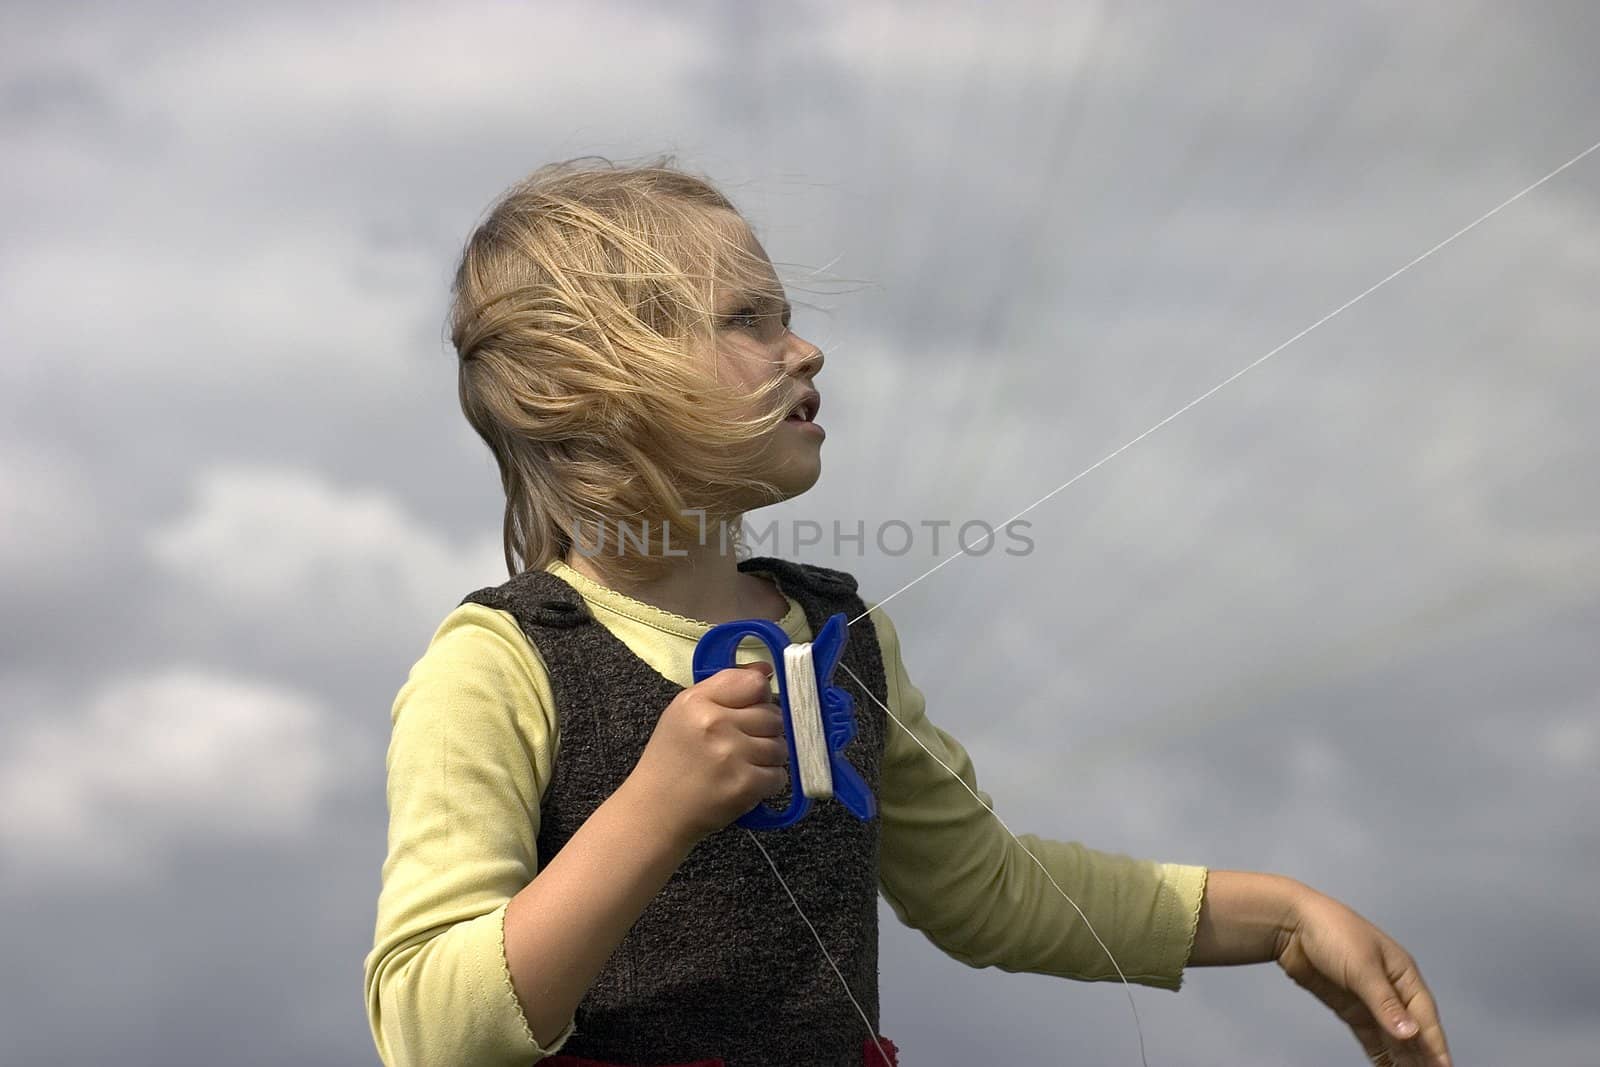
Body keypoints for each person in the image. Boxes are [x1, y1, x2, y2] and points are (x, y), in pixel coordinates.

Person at [362, 157, 1452, 1067]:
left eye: (787, 315)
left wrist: (1285, 914)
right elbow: (427, 1026)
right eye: (746, 318)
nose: (805, 349)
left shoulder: (842, 638)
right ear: (596, 387)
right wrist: (654, 808)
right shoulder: (499, 663)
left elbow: (990, 892)